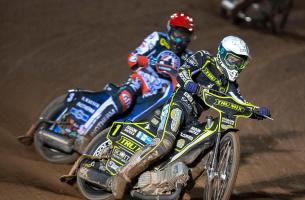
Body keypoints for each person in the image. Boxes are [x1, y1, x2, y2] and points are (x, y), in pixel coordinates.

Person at [108, 35, 271, 199]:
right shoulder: (204, 58)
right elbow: (183, 70)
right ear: (222, 53)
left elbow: (239, 102)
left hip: (192, 118)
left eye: (240, 62)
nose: (236, 65)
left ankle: (174, 186)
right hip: (178, 104)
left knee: (201, 153)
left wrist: (256, 110)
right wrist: (188, 83)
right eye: (233, 60)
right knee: (165, 144)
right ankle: (123, 176)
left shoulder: (230, 85)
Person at [76, 12, 195, 140]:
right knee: (124, 98)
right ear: (170, 29)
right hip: (144, 77)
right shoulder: (157, 38)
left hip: (164, 93)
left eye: (185, 36)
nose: (181, 40)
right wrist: (146, 61)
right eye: (179, 34)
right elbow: (132, 58)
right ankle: (85, 133)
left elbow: (187, 82)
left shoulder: (189, 57)